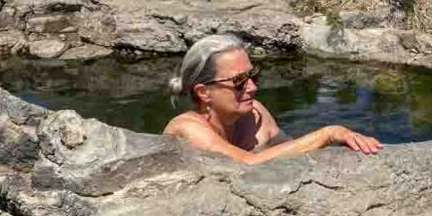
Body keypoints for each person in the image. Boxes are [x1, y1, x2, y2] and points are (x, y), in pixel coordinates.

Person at [163, 33, 383, 164]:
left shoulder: (255, 113)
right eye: (239, 81)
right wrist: (328, 133)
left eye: (253, 75)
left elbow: (291, 148)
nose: (253, 87)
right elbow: (246, 163)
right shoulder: (187, 129)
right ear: (203, 92)